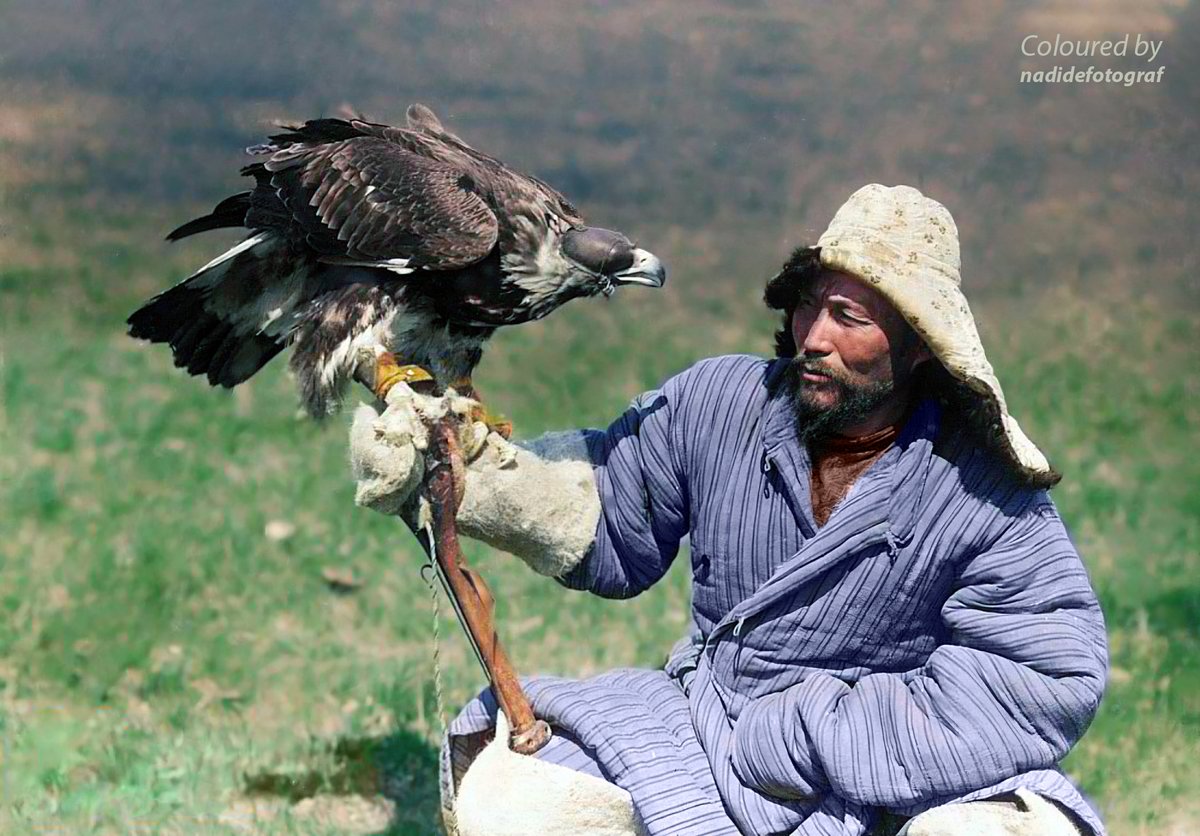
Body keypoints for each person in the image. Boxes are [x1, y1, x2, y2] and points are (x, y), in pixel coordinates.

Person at [349, 185, 1108, 836]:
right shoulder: (721, 403)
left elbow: (1047, 671)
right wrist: (467, 473)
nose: (814, 338)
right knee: (513, 797)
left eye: (850, 318)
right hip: (710, 729)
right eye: (810, 306)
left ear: (919, 347)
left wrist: (818, 731)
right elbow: (613, 515)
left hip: (898, 769)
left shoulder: (979, 486)